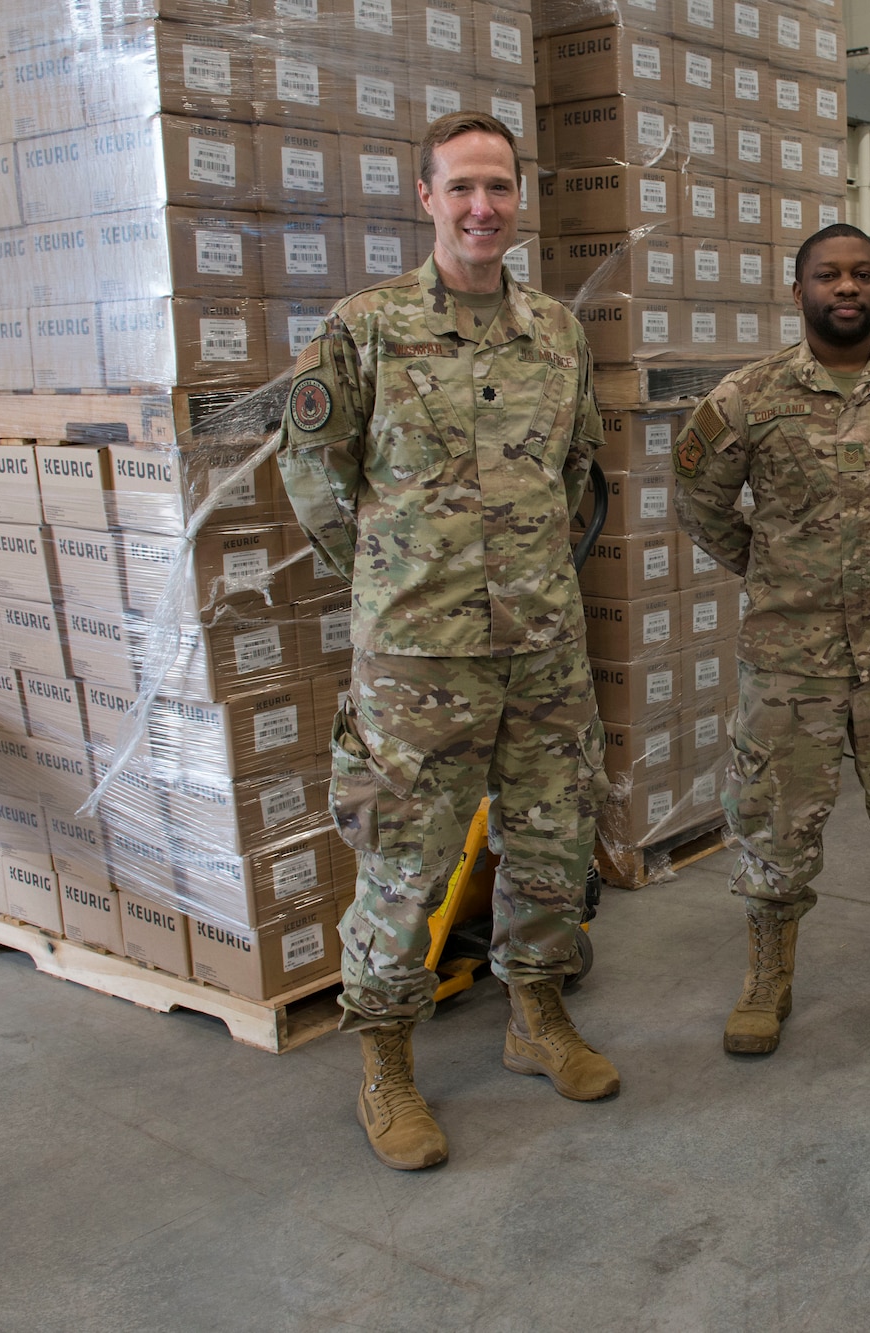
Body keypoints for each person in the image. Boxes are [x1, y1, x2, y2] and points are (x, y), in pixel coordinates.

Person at [278, 113, 615, 1171]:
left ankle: (535, 1015)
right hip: (418, 662)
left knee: (553, 846)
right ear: (423, 197)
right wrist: (391, 583)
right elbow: (313, 480)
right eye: (462, 187)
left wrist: (524, 584)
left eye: (500, 188)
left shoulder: (556, 333)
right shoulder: (362, 329)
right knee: (401, 865)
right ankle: (384, 1057)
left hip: (543, 649)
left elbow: (577, 477)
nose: (482, 208)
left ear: (521, 198)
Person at [673, 223, 870, 1055]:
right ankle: (766, 976)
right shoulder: (747, 397)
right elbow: (701, 503)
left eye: (861, 274)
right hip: (790, 659)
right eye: (828, 275)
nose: (846, 288)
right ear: (798, 291)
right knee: (773, 820)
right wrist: (775, 570)